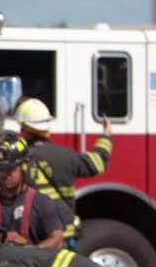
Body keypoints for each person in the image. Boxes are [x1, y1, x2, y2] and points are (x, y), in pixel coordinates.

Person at [15, 98, 112, 242]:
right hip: (63, 233)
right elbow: (98, 163)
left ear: (26, 131)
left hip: (31, 233)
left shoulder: (17, 159)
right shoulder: (66, 156)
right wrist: (106, 136)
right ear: (46, 128)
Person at [0, 134, 67, 249]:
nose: (6, 174)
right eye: (1, 169)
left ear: (24, 166)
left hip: (31, 265)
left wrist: (28, 252)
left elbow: (57, 239)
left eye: (11, 168)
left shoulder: (42, 203)